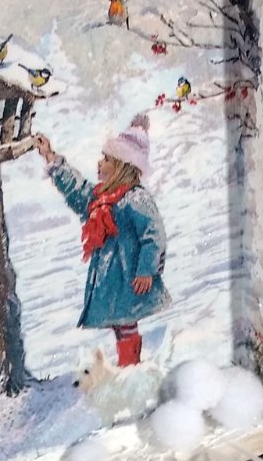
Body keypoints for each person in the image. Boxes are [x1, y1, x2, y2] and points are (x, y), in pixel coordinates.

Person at [34, 114, 169, 366]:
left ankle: (130, 366)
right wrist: (51, 158)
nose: (99, 162)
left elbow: (154, 234)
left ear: (121, 166)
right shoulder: (101, 197)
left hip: (129, 277)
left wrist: (146, 270)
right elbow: (77, 190)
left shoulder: (134, 198)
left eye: (106, 159)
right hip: (113, 279)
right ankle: (128, 365)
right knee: (120, 324)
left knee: (126, 322)